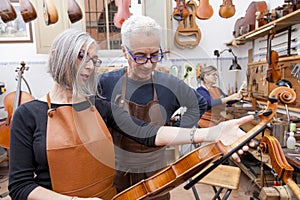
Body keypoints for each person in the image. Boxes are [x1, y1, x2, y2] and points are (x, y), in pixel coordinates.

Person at [8, 29, 253, 200]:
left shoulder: (100, 106)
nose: (90, 66)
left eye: (94, 59)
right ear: (56, 57)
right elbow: (20, 187)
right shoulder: (28, 115)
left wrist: (212, 132)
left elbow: (150, 134)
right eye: (81, 56)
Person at [97, 15, 207, 199]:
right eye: (140, 56)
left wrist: (177, 131)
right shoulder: (106, 83)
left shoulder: (170, 84)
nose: (149, 64)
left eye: (155, 55)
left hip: (156, 177)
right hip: (116, 175)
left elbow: (199, 104)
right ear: (124, 52)